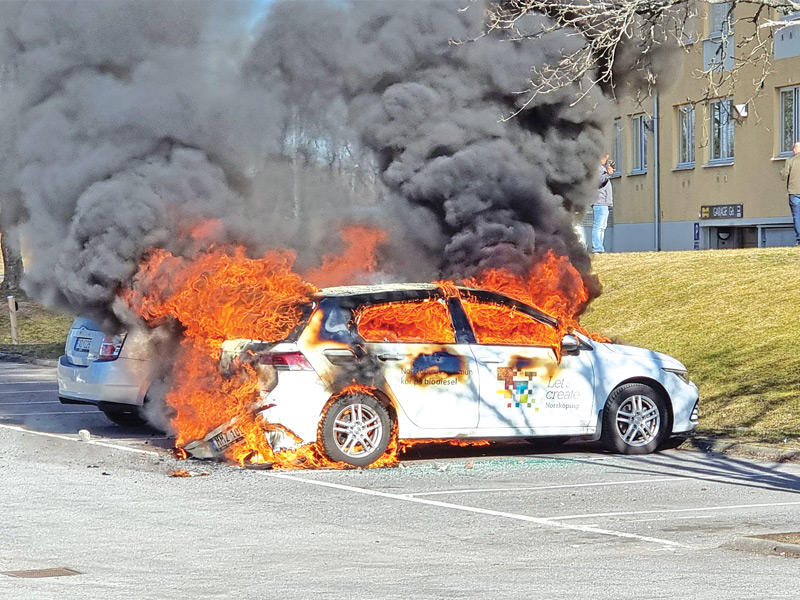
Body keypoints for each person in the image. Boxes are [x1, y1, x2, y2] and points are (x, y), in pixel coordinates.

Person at [592, 154, 614, 253]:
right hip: (599, 202)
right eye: (605, 156)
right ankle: (597, 248)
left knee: (602, 227)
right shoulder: (597, 168)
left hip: (604, 203)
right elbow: (598, 181)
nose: (607, 158)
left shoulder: (601, 168)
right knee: (598, 226)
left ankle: (600, 247)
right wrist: (608, 174)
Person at [782, 141, 800, 246]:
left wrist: (781, 172)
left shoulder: (790, 161)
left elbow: (784, 175)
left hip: (794, 192)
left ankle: (799, 239)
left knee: (797, 216)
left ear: (795, 149)